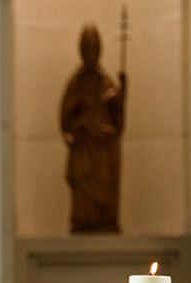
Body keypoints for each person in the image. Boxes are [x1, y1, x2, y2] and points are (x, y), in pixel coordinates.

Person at [60, 23, 126, 233]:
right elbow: (65, 116)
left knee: (106, 185)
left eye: (94, 48)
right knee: (83, 187)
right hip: (84, 147)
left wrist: (118, 102)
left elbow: (117, 122)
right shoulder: (75, 82)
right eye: (87, 48)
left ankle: (106, 220)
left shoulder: (105, 81)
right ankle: (83, 221)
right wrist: (75, 132)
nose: (91, 53)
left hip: (104, 148)